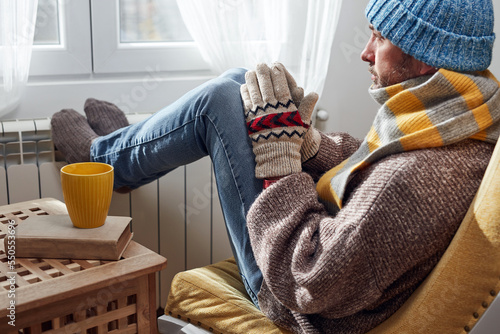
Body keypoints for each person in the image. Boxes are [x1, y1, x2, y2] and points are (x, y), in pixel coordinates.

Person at [51, 0, 500, 332]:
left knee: (219, 102)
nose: (365, 53)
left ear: (420, 55)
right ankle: (118, 151)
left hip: (292, 296)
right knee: (240, 83)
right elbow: (371, 165)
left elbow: (308, 278)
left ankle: (103, 160)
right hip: (320, 268)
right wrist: (307, 143)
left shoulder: (416, 183)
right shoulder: (459, 124)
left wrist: (281, 160)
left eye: (378, 38)